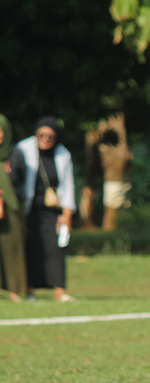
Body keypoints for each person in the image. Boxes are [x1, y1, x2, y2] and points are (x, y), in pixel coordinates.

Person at [9, 116, 76, 302]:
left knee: (56, 250)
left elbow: (68, 186)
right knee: (30, 250)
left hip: (52, 211)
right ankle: (29, 291)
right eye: (42, 135)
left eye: (50, 136)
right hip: (29, 209)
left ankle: (60, 291)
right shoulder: (23, 149)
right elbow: (14, 177)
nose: (46, 139)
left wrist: (67, 215)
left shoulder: (63, 154)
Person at [0, 114, 28, 301]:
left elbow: (21, 178)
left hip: (11, 206)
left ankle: (15, 290)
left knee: (12, 247)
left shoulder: (15, 153)